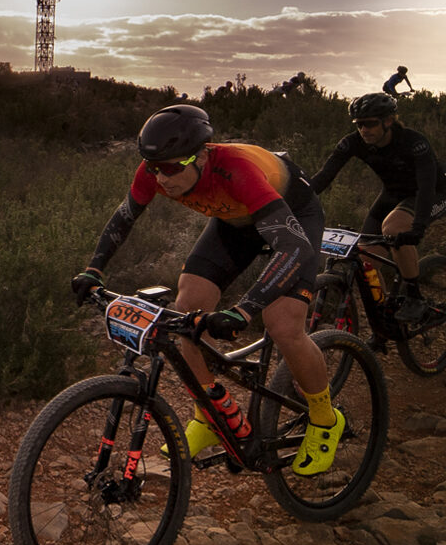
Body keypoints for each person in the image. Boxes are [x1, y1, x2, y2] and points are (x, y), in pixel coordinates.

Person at [72, 104, 344, 475]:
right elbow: (124, 217)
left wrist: (243, 310)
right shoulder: (156, 169)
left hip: (292, 218)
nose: (161, 178)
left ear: (201, 155)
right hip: (233, 221)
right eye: (154, 167)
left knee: (281, 323)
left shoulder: (235, 170)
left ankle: (326, 418)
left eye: (171, 168)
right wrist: (93, 270)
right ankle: (212, 415)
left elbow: (294, 246)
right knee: (186, 314)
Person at [310, 92, 446, 323]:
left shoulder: (414, 142)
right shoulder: (354, 142)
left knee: (394, 227)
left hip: (433, 193)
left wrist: (418, 227)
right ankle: (385, 321)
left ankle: (415, 297)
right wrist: (291, 204)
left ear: (389, 120)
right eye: (359, 124)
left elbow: (425, 188)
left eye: (370, 124)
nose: (364, 130)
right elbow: (324, 177)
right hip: (392, 194)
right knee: (367, 260)